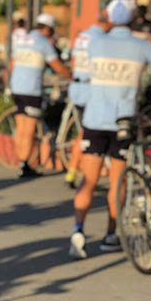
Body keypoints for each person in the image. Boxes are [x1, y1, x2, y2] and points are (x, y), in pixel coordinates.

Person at [69, 0, 151, 259]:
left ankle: (78, 230)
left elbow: (79, 71)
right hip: (123, 122)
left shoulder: (95, 42)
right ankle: (111, 235)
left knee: (88, 180)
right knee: (117, 181)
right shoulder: (143, 46)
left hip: (95, 119)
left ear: (109, 18)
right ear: (134, 18)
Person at [8, 13, 71, 178]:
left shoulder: (22, 40)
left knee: (20, 127)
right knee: (28, 129)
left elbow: (11, 65)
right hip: (31, 90)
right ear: (49, 28)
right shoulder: (43, 43)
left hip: (17, 88)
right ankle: (24, 165)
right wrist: (73, 77)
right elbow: (57, 66)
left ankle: (21, 162)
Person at [63, 13, 111, 188]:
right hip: (91, 91)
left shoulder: (83, 35)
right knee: (87, 134)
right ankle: (79, 173)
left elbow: (74, 62)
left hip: (77, 89)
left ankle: (73, 172)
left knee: (84, 132)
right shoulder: (102, 38)